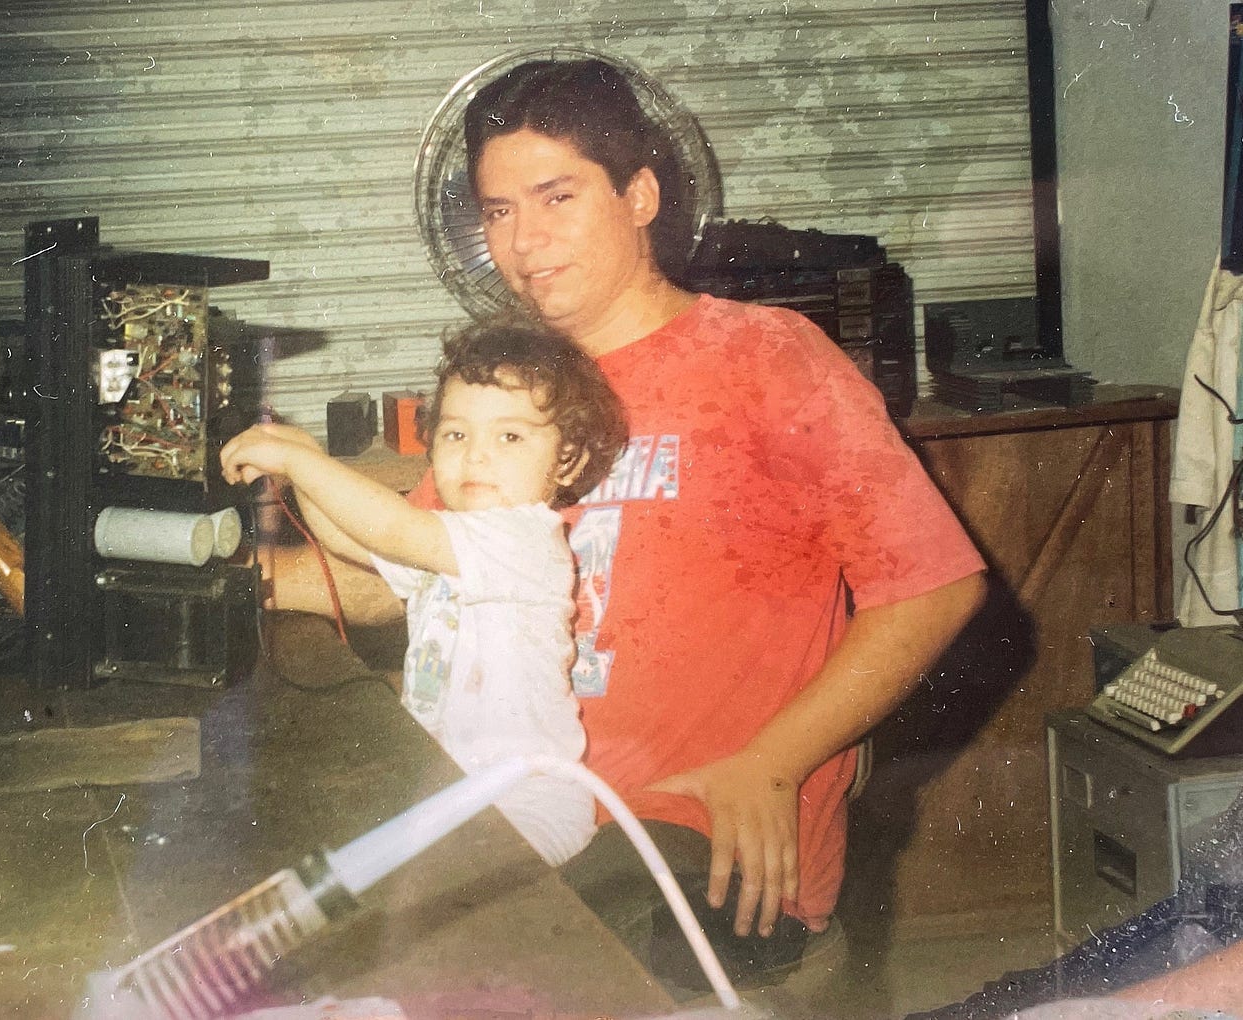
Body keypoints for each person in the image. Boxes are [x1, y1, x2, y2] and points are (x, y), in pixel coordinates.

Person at [273, 57, 988, 991]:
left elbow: (935, 585)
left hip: (700, 858)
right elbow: (404, 575)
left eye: (556, 196)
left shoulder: (769, 360)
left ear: (641, 193)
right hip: (531, 836)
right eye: (497, 212)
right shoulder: (515, 396)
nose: (523, 241)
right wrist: (217, 568)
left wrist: (773, 765)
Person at [221, 320, 628, 867]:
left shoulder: (525, 540)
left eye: (509, 437)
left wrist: (305, 465)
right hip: (452, 789)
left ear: (568, 461)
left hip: (526, 802)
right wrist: (303, 471)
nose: (476, 456)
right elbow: (354, 540)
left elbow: (391, 530)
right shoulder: (451, 542)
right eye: (457, 435)